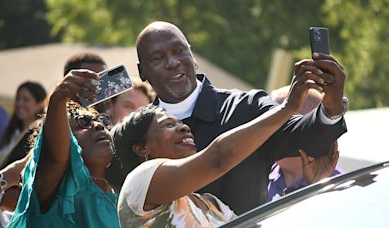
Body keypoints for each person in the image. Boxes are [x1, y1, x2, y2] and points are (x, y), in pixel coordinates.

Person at [135, 21, 347, 214]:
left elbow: (307, 138)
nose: (172, 62)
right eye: (157, 57)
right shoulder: (136, 135)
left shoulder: (246, 107)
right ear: (142, 71)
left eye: (179, 51)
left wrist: (332, 106)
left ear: (192, 56)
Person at [116, 72, 319, 227]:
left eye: (180, 122)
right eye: (168, 124)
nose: (184, 127)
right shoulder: (141, 182)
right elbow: (220, 157)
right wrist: (287, 109)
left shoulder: (210, 205)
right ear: (141, 148)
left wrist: (315, 187)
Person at [8, 70, 119, 227]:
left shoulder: (121, 193)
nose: (98, 125)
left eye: (102, 120)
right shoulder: (55, 186)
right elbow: (57, 156)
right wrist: (59, 97)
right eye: (83, 122)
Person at [268, 86, 341, 201]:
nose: (268, 131)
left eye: (281, 123)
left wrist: (318, 186)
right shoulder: (256, 178)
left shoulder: (342, 188)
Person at [0, 82, 47, 165]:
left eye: (26, 100)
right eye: (18, 99)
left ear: (39, 104)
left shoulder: (40, 135)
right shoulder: (12, 132)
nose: (19, 104)